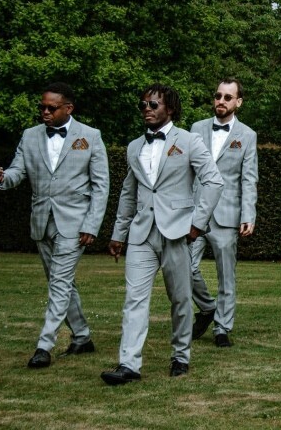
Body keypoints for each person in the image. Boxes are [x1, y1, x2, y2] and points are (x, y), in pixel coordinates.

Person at [101, 84, 224, 385]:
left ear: (170, 109)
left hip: (178, 232)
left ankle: (181, 356)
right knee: (134, 299)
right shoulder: (134, 146)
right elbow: (129, 192)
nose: (147, 109)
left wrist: (197, 223)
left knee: (180, 299)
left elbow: (214, 181)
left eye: (153, 104)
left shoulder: (190, 141)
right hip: (141, 234)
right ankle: (128, 365)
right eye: (143, 104)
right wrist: (119, 233)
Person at [0, 82, 109, 369]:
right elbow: (17, 172)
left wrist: (91, 225)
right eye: (41, 107)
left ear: (68, 108)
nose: (44, 111)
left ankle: (44, 345)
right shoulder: (30, 136)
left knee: (59, 283)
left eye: (51, 108)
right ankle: (82, 337)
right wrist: (1, 178)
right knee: (63, 283)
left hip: (75, 223)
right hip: (42, 222)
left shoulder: (90, 136)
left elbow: (101, 186)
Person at [189, 78, 258, 348]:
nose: (221, 101)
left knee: (226, 274)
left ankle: (222, 327)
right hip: (194, 213)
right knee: (184, 266)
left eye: (228, 97)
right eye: (218, 95)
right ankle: (208, 308)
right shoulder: (195, 129)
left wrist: (247, 215)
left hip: (227, 215)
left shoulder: (248, 135)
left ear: (238, 102)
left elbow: (248, 179)